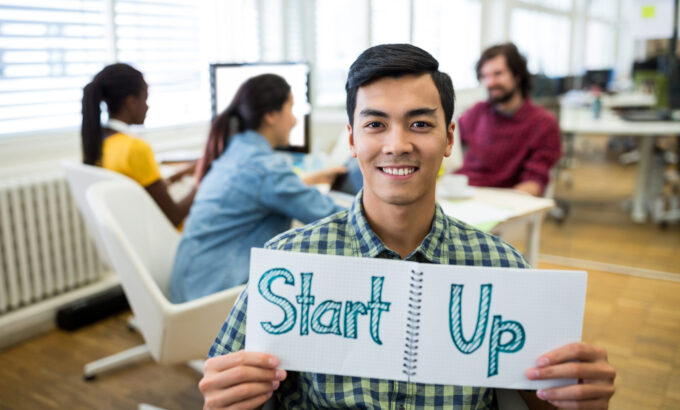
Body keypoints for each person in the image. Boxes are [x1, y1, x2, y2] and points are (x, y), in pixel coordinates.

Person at [198, 45, 615, 409]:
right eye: (375, 124)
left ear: (450, 138)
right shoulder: (290, 264)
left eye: (419, 123)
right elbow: (227, 385)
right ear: (352, 139)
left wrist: (572, 398)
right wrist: (225, 397)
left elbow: (538, 398)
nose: (397, 144)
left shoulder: (500, 267)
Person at [169, 74, 346, 303]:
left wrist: (313, 178)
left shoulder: (237, 153)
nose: (293, 121)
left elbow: (259, 192)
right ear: (271, 115)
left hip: (189, 288)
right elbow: (331, 216)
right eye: (290, 109)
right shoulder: (265, 168)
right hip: (212, 299)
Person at [81, 63, 196, 228]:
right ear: (131, 102)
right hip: (169, 240)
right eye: (145, 99)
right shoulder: (135, 148)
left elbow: (146, 190)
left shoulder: (98, 142)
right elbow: (175, 216)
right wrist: (202, 181)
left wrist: (183, 173)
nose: (147, 106)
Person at [455, 43, 561, 196]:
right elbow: (446, 142)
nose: (490, 83)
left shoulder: (543, 123)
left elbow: (534, 184)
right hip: (461, 194)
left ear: (517, 75)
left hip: (500, 203)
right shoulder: (477, 111)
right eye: (485, 76)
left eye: (498, 74)